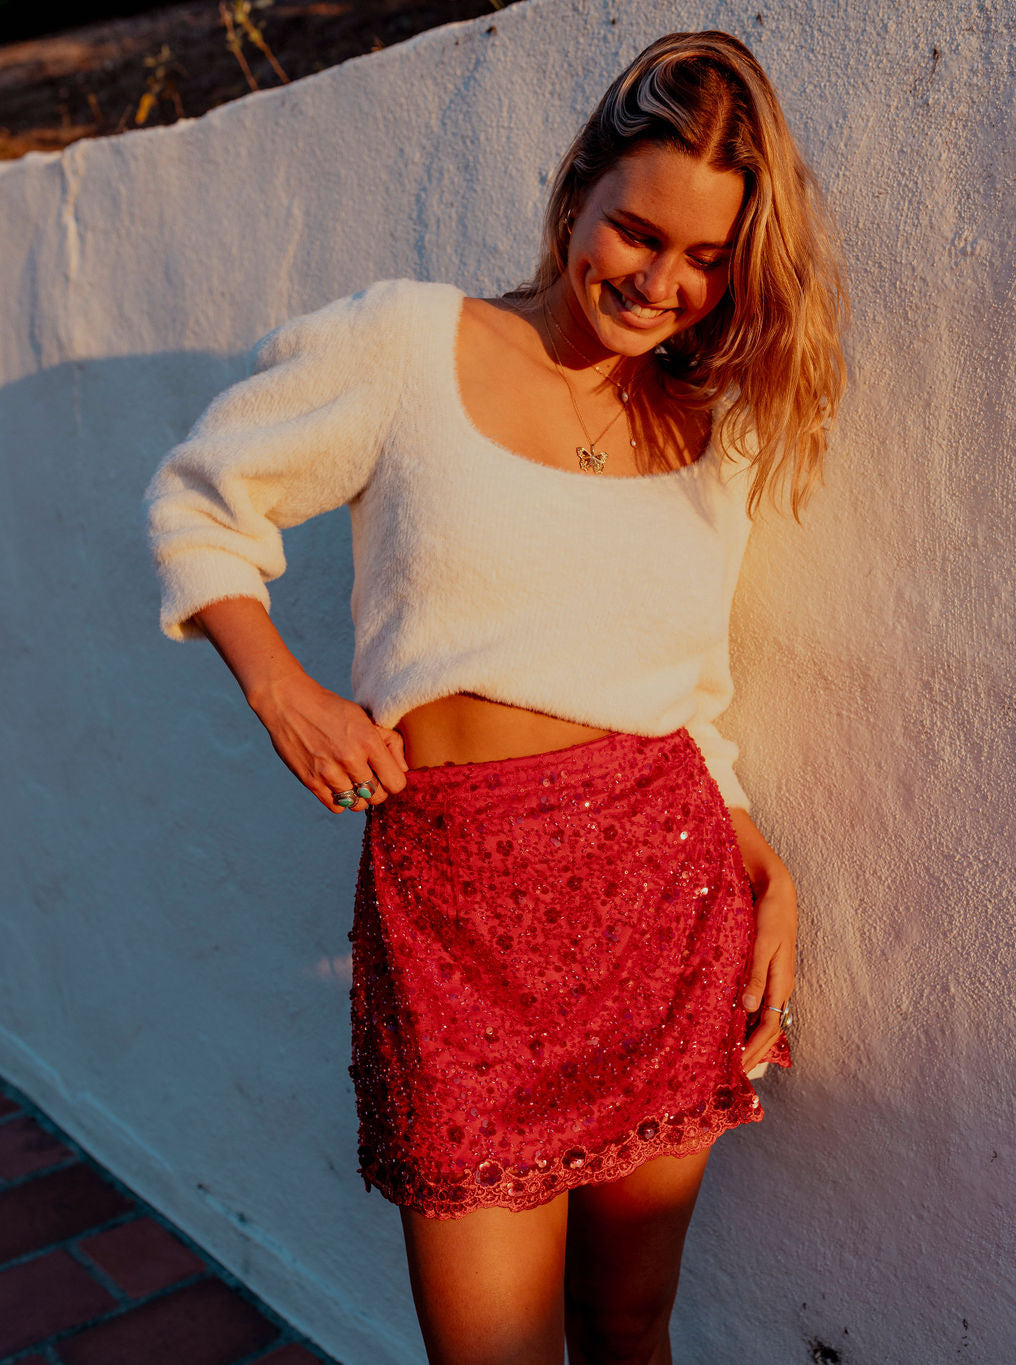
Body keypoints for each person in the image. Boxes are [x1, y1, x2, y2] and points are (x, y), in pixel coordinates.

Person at [146, 29, 845, 1365]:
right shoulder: (408, 342)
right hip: (454, 919)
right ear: (576, 186)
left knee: (628, 1325)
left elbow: (685, 685)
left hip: (664, 900)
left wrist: (757, 848)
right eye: (638, 231)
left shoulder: (712, 431)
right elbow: (202, 500)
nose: (663, 283)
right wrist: (282, 690)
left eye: (708, 258)